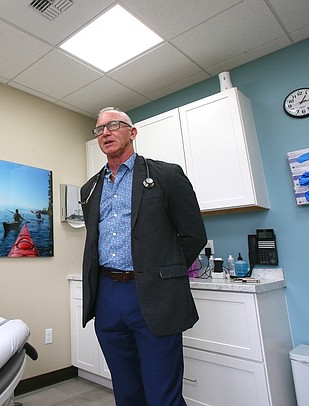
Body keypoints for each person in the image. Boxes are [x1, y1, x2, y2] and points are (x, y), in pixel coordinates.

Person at [80, 107, 206, 405]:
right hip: (107, 295)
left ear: (132, 132)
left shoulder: (165, 175)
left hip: (153, 294)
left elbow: (193, 235)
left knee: (162, 391)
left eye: (113, 126)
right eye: (99, 129)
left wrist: (163, 271)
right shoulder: (90, 188)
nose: (105, 133)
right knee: (126, 388)